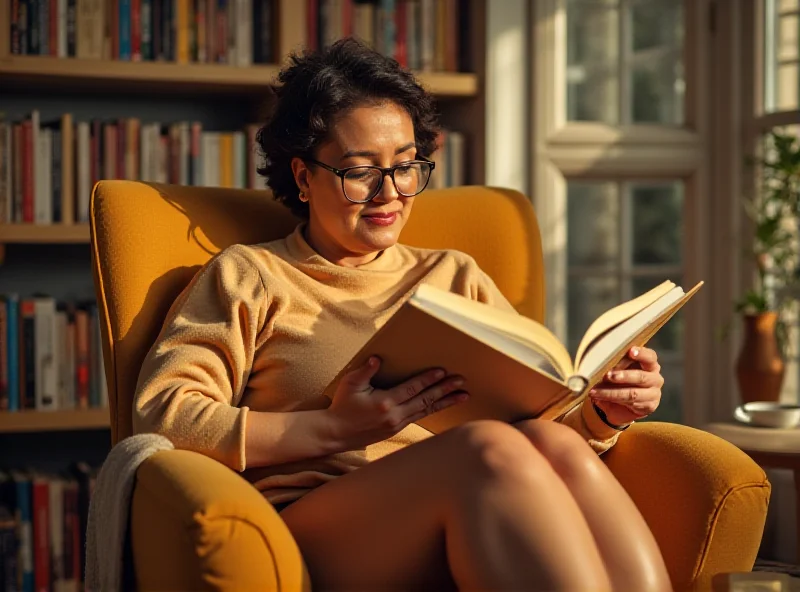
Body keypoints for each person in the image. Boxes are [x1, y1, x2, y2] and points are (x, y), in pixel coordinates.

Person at [133, 38, 671, 591]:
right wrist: (331, 428)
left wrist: (606, 412)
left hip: (479, 508)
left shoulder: (453, 275)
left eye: (406, 165)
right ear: (302, 176)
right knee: (486, 448)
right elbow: (163, 415)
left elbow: (539, 427)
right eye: (360, 171)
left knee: (549, 442)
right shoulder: (250, 275)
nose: (389, 194)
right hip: (317, 524)